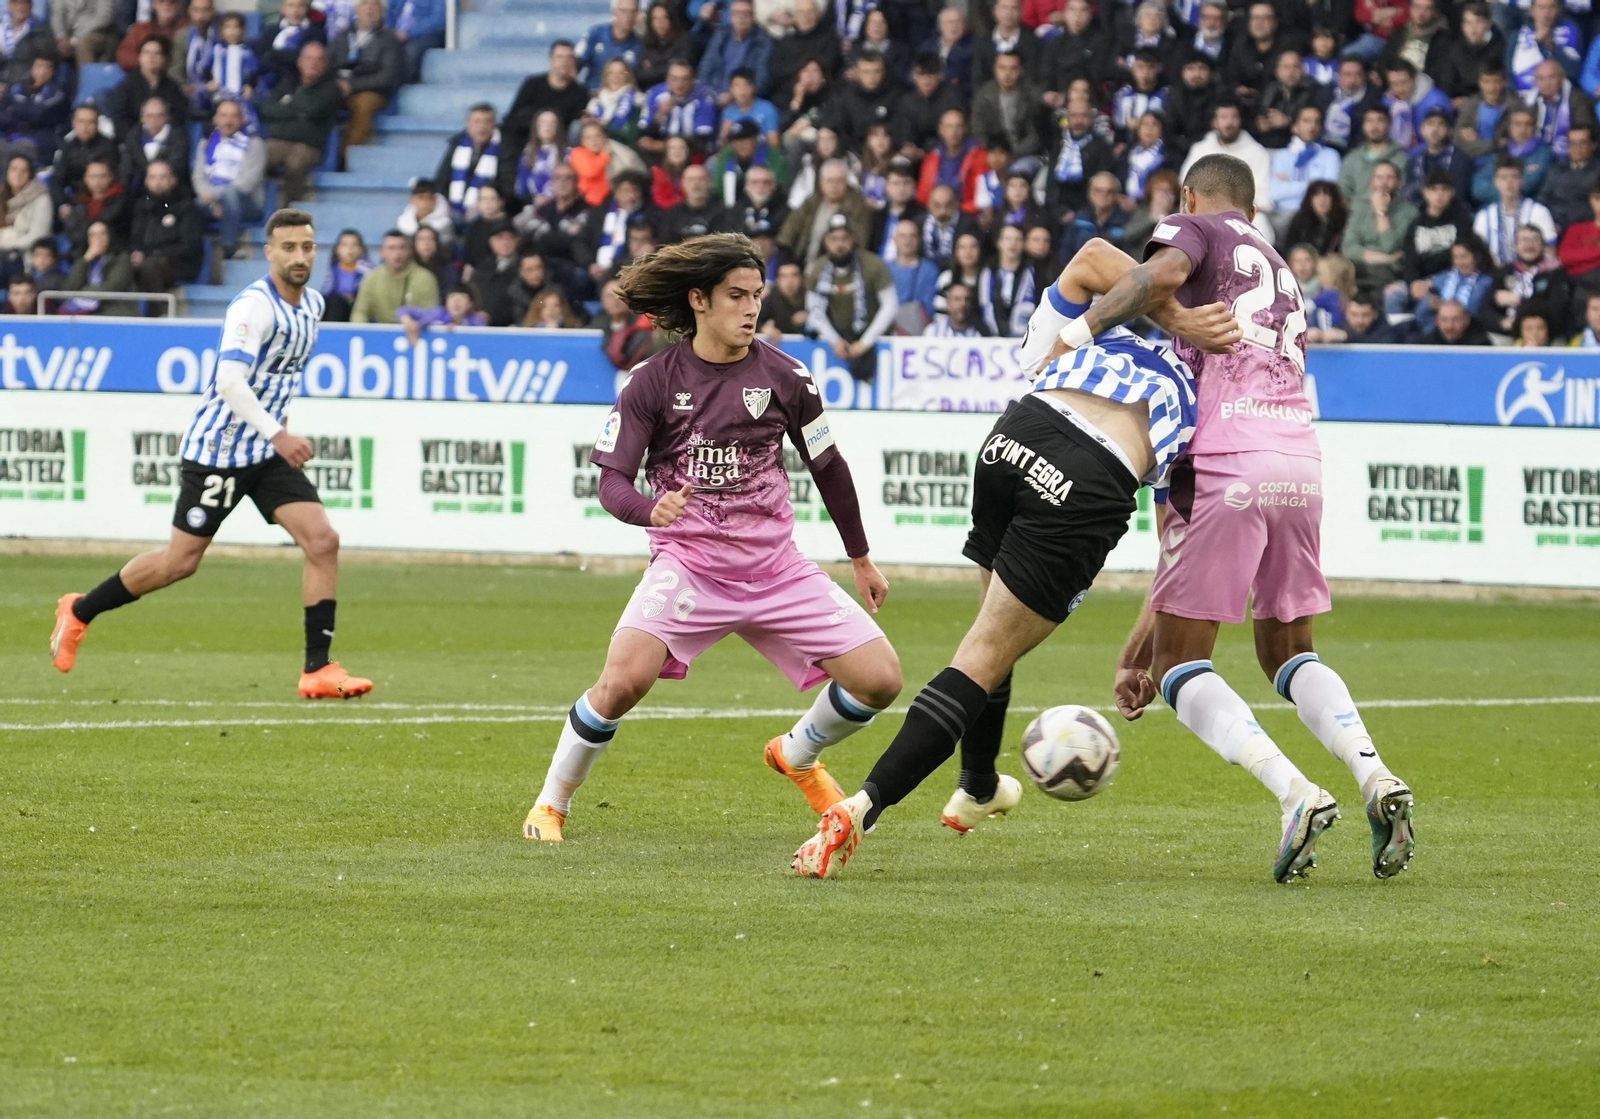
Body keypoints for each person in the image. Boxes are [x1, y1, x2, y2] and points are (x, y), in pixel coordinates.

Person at [789, 235, 1233, 878]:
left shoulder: (1096, 325)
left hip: (1013, 439)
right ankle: (860, 809)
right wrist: (1139, 654)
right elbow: (1177, 549)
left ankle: (976, 784)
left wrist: (1156, 306)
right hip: (1090, 473)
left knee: (988, 633)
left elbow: (1090, 259)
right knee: (985, 653)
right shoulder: (1207, 396)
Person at [1075, 154, 1415, 884]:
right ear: (1253, 212)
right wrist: (1136, 647)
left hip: (1226, 457)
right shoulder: (1280, 268)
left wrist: (1082, 327)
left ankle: (1295, 794)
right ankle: (1375, 776)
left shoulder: (1195, 228)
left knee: (1181, 665)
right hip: (1300, 460)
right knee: (1285, 651)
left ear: (1193, 200)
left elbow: (1153, 278)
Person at [522, 231, 902, 844]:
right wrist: (651, 511)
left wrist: (860, 558)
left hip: (776, 569)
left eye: (756, 295)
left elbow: (828, 467)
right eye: (736, 296)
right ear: (699, 300)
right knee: (621, 681)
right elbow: (612, 482)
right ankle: (550, 803)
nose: (751, 308)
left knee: (881, 679)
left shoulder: (788, 376)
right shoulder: (650, 379)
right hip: (690, 565)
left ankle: (796, 753)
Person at [51, 209, 371, 698]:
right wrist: (278, 435)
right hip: (219, 451)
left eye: (307, 247)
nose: (300, 256)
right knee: (179, 563)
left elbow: (278, 377)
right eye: (288, 248)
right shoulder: (253, 308)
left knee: (323, 541)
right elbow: (229, 380)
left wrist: (278, 431)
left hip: (264, 453)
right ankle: (79, 611)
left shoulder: (313, 306)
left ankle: (317, 670)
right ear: (269, 253)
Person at [804, 213, 897, 380]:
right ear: (826, 242)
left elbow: (890, 306)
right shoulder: (817, 269)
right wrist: (834, 340)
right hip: (835, 338)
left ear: (853, 239)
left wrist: (865, 342)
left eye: (845, 238)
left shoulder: (873, 265)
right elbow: (814, 309)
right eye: (834, 239)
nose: (840, 244)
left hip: (870, 336)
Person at [260, 40, 340, 204]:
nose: (313, 63)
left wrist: (288, 104)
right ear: (300, 61)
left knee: (295, 162)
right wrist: (296, 111)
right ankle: (257, 204)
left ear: (325, 64)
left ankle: (289, 212)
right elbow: (266, 109)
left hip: (308, 146)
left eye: (319, 59)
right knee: (257, 156)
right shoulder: (288, 82)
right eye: (309, 58)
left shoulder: (331, 88)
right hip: (278, 142)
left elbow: (313, 109)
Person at [1180, 100, 1272, 239]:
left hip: (1243, 216)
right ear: (1214, 122)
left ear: (1240, 120)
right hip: (1203, 213)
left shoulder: (1257, 152)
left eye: (1234, 117)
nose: (1229, 123)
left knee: (1262, 227)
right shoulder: (1200, 150)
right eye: (1223, 117)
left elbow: (1263, 195)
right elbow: (1186, 186)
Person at [328, 0, 403, 156]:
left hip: (371, 91)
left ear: (382, 12)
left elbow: (386, 77)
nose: (369, 8)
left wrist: (352, 86)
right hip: (338, 87)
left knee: (363, 103)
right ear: (356, 10)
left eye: (375, 4)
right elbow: (328, 65)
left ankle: (345, 157)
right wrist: (335, 84)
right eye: (365, 4)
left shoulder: (389, 39)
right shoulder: (341, 36)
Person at [194, 97, 265, 258]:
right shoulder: (206, 144)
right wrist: (211, 201)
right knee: (192, 205)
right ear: (215, 119)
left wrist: (215, 196)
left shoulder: (254, 144)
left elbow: (247, 183)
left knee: (230, 195)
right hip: (213, 200)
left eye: (233, 116)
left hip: (247, 203)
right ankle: (197, 256)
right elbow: (198, 176)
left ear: (241, 119)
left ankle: (229, 247)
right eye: (224, 116)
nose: (228, 121)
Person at [777, 158, 873, 267]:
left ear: (846, 182)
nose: (834, 186)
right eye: (829, 181)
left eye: (839, 181)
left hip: (836, 266)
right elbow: (789, 229)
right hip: (803, 263)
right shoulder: (813, 201)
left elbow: (859, 242)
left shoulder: (857, 206)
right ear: (821, 182)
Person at [504, 39, 589, 157]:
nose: (564, 62)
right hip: (525, 141)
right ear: (551, 59)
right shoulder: (532, 84)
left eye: (569, 57)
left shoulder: (580, 92)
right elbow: (513, 117)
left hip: (561, 149)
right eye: (560, 57)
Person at [1267, 105, 1340, 240]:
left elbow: (1328, 191)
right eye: (1306, 121)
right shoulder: (1281, 156)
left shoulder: (1330, 155)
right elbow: (1275, 193)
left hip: (1315, 215)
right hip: (1283, 215)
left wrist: (1289, 184)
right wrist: (1311, 184)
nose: (1312, 126)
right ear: (1294, 126)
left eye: (1316, 121)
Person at [128, 158, 202, 292]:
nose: (157, 182)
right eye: (152, 177)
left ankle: (157, 311)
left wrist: (154, 254)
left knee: (150, 266)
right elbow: (135, 238)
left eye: (163, 177)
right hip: (147, 258)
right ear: (146, 181)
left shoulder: (186, 208)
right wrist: (136, 252)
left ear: (173, 180)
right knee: (120, 265)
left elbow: (188, 246)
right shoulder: (141, 206)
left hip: (178, 263)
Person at [1344, 160, 1417, 290]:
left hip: (1390, 270)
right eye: (1379, 177)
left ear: (1399, 183)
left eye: (1389, 178)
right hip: (1359, 264)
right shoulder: (1359, 208)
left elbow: (1390, 246)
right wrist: (1386, 258)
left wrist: (1380, 212)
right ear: (1371, 182)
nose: (1383, 182)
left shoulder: (1409, 212)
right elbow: (1348, 247)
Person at [1473, 156, 1558, 267]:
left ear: (1522, 180)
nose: (1509, 183)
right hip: (1495, 277)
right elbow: (1477, 255)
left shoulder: (1540, 212)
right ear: (1495, 182)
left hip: (1533, 275)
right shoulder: (1483, 216)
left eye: (1514, 177)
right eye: (1503, 178)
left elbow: (1549, 253)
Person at [1489, 222, 1570, 336]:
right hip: (1505, 334)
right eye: (1524, 240)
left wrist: (1519, 300)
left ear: (1543, 247)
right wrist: (1501, 322)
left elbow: (1557, 310)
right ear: (1514, 246)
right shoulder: (1503, 272)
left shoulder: (1555, 273)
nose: (1529, 245)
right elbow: (1485, 309)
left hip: (1543, 337)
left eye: (1535, 240)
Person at [349, 228, 440, 323]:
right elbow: (360, 312)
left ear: (409, 251)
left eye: (402, 248)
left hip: (417, 332)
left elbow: (431, 315)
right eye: (391, 248)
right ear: (382, 252)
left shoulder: (425, 278)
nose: (397, 254)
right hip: (383, 334)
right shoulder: (372, 278)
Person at [432, 101, 502, 221]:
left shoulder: (504, 148)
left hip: (488, 209)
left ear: (494, 125)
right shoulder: (456, 145)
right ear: (468, 124)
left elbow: (505, 183)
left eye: (486, 122)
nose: (481, 127)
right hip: (453, 209)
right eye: (477, 122)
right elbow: (442, 180)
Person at [638, 57, 718, 158]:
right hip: (660, 151)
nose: (679, 84)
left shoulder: (704, 97)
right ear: (667, 78)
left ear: (692, 80)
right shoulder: (654, 94)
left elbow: (701, 140)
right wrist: (659, 114)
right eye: (674, 79)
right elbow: (643, 133)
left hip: (691, 152)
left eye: (684, 79)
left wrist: (666, 147)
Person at [109, 33, 187, 136]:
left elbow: (177, 119)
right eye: (146, 53)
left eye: (156, 53)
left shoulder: (173, 88)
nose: (151, 57)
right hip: (133, 142)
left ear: (164, 58)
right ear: (139, 57)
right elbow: (120, 119)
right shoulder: (126, 86)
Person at [0, 56, 69, 168]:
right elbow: (2, 112)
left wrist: (15, 113)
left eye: (47, 67)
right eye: (38, 66)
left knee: (19, 147)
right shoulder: (16, 87)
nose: (42, 71)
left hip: (41, 138)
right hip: (11, 133)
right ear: (32, 68)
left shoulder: (58, 92)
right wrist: (17, 118)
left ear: (53, 71)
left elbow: (37, 115)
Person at [52, 104, 118, 213]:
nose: (85, 127)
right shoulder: (68, 146)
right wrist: (62, 203)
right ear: (74, 123)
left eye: (90, 122)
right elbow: (58, 179)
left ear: (97, 124)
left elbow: (112, 181)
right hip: (75, 201)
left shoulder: (109, 148)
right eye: (81, 121)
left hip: (103, 202)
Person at [61, 219, 136, 314]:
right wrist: (86, 259)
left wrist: (83, 293)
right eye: (92, 235)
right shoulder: (81, 259)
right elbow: (69, 288)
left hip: (113, 310)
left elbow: (112, 288)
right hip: (83, 310)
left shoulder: (121, 259)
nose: (98, 238)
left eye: (102, 234)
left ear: (109, 237)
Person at [698, 0, 770, 98]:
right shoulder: (721, 36)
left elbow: (762, 80)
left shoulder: (762, 42)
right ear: (730, 16)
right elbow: (705, 69)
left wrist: (733, 96)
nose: (741, 18)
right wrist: (709, 94)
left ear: (753, 17)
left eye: (746, 14)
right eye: (737, 13)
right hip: (713, 96)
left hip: (744, 100)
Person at [118, 94, 188, 191]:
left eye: (159, 116)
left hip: (169, 190)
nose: (154, 120)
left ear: (166, 117)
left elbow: (176, 168)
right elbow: (126, 169)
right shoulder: (132, 137)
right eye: (149, 116)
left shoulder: (178, 137)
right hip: (138, 191)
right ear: (142, 118)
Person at [1539, 122, 1600, 230]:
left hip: (1584, 228)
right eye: (1573, 143)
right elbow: (1543, 199)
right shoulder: (1555, 169)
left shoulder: (1597, 171)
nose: (1577, 148)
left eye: (1582, 143)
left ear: (1593, 145)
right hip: (1553, 226)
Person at [253, 0, 321, 95]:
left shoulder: (316, 33)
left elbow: (302, 58)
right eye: (291, 6)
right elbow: (260, 57)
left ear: (306, 9)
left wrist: (272, 54)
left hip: (300, 84)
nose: (295, 10)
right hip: (270, 83)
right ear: (283, 9)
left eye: (300, 6)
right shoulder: (270, 32)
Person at [63, 158, 131, 251]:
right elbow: (72, 232)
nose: (97, 181)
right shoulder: (78, 202)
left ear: (110, 177)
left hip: (115, 252)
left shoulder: (121, 200)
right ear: (85, 178)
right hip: (83, 251)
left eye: (102, 176)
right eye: (93, 176)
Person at [575, 0, 641, 92]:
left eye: (633, 11)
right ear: (614, 12)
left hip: (623, 98)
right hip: (592, 93)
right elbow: (574, 65)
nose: (628, 16)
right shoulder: (595, 34)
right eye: (623, 11)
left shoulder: (639, 44)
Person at [885, 215, 938, 326]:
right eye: (902, 236)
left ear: (918, 239)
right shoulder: (884, 268)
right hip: (888, 326)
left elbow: (929, 305)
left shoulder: (930, 270)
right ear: (895, 239)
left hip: (919, 329)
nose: (907, 240)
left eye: (912, 236)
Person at [201, 11, 258, 110]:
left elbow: (254, 71)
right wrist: (209, 81)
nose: (232, 31)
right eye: (228, 27)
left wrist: (250, 86)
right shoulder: (216, 49)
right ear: (221, 31)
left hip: (240, 95)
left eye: (236, 27)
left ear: (243, 30)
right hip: (219, 94)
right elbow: (206, 67)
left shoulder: (247, 51)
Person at [398, 280, 485, 342]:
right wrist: (408, 321)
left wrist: (459, 330)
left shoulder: (475, 320)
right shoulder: (436, 313)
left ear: (470, 304)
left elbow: (485, 338)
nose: (456, 301)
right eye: (452, 296)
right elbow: (402, 310)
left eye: (462, 297)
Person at [0, 153, 50, 256]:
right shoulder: (1, 196)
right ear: (7, 172)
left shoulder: (41, 199)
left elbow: (38, 236)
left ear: (30, 174)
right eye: (14, 169)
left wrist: (4, 246)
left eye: (24, 171)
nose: (18, 174)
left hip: (27, 257)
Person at [116, 0, 186, 71]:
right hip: (142, 76)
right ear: (154, 4)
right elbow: (124, 56)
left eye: (172, 2)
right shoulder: (139, 29)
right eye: (162, 1)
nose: (166, 5)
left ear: (178, 6)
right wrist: (148, 62)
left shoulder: (185, 30)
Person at [387, 0, 445, 84]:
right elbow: (389, 15)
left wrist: (409, 33)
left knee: (411, 51)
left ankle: (402, 87)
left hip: (426, 34)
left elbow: (438, 20)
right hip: (397, 34)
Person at [1, 0, 56, 86]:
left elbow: (44, 61)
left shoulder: (41, 30)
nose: (20, 7)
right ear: (9, 5)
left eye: (25, 3)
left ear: (31, 7)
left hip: (27, 84)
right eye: (16, 3)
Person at [319, 227, 370, 320]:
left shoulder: (367, 270)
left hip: (359, 308)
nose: (350, 249)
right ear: (337, 249)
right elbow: (326, 293)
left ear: (361, 249)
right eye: (345, 245)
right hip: (338, 309)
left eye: (354, 245)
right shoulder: (334, 270)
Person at [52, 0, 118, 64]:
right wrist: (61, 36)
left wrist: (74, 39)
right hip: (68, 34)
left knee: (83, 43)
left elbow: (104, 17)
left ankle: (87, 74)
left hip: (99, 33)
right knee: (47, 43)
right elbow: (57, 14)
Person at [1421, 296, 1491, 344]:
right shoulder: (1426, 345)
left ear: (1466, 320)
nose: (1449, 326)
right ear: (1437, 321)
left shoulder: (1481, 346)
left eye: (1455, 320)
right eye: (1444, 320)